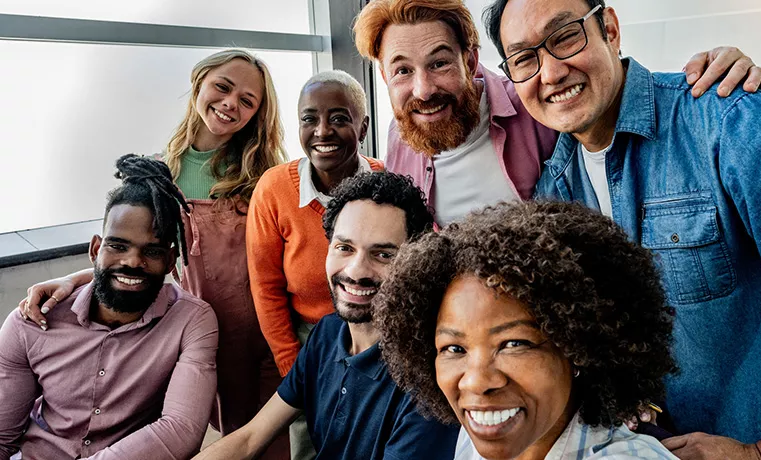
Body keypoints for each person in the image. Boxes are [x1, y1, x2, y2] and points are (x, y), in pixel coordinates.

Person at [483, 0, 761, 458]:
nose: (551, 72)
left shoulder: (723, 116)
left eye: (565, 36)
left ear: (610, 28)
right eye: (525, 58)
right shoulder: (555, 187)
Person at [17, 49, 289, 457]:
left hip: (258, 335)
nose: (231, 103)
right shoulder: (156, 173)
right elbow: (131, 253)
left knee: (264, 442)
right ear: (199, 83)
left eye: (248, 100)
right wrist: (74, 279)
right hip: (183, 332)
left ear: (257, 114)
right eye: (223, 86)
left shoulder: (263, 177)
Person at [353, 0, 761, 226]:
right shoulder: (400, 134)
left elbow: (606, 95)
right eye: (402, 70)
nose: (422, 88)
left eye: (440, 62)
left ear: (470, 60)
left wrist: (717, 77)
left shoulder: (535, 103)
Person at [373, 200, 677, 459]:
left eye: (513, 344)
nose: (477, 383)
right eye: (454, 349)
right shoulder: (478, 434)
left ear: (579, 350)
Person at [195, 171, 458, 460]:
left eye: (383, 254)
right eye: (345, 248)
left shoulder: (427, 378)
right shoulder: (327, 333)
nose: (356, 271)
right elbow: (250, 438)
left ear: (415, 262)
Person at [0, 155, 218, 460]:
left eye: (152, 251)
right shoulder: (29, 322)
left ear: (170, 262)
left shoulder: (191, 320)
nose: (132, 262)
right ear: (95, 249)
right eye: (118, 246)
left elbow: (181, 429)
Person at [245, 70, 384, 460]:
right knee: (310, 443)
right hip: (307, 341)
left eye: (339, 118)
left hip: (378, 332)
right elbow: (266, 288)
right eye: (310, 119)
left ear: (364, 126)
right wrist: (296, 370)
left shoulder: (387, 182)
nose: (322, 131)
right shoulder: (274, 190)